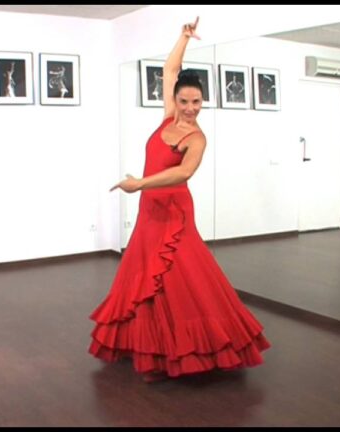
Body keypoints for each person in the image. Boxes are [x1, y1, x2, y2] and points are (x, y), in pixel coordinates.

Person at [89, 17, 270, 383]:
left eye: (197, 102)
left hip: (173, 212)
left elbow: (183, 173)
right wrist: (183, 38)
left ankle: (202, 346)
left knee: (182, 277)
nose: (190, 108)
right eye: (185, 100)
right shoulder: (167, 117)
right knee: (145, 279)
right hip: (149, 212)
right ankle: (151, 346)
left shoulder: (197, 138)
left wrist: (140, 183)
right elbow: (170, 69)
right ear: (174, 99)